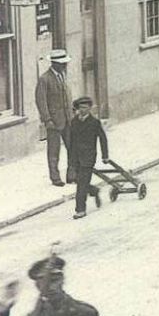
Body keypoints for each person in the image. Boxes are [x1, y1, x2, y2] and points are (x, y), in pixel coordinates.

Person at [35, 48, 76, 186]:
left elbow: (67, 96)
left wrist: (72, 112)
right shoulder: (44, 79)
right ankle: (55, 177)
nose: (65, 66)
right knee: (54, 151)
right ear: (54, 64)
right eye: (62, 63)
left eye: (65, 63)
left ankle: (71, 175)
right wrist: (47, 120)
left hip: (68, 119)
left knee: (72, 147)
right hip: (53, 121)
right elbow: (41, 101)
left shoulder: (63, 76)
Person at [69, 96, 108, 220]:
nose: (83, 110)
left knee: (81, 184)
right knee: (75, 179)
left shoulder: (94, 122)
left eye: (85, 108)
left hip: (88, 157)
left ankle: (80, 210)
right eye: (81, 108)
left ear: (90, 108)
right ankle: (94, 190)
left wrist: (105, 156)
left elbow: (102, 139)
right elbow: (71, 140)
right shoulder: (74, 122)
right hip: (75, 157)